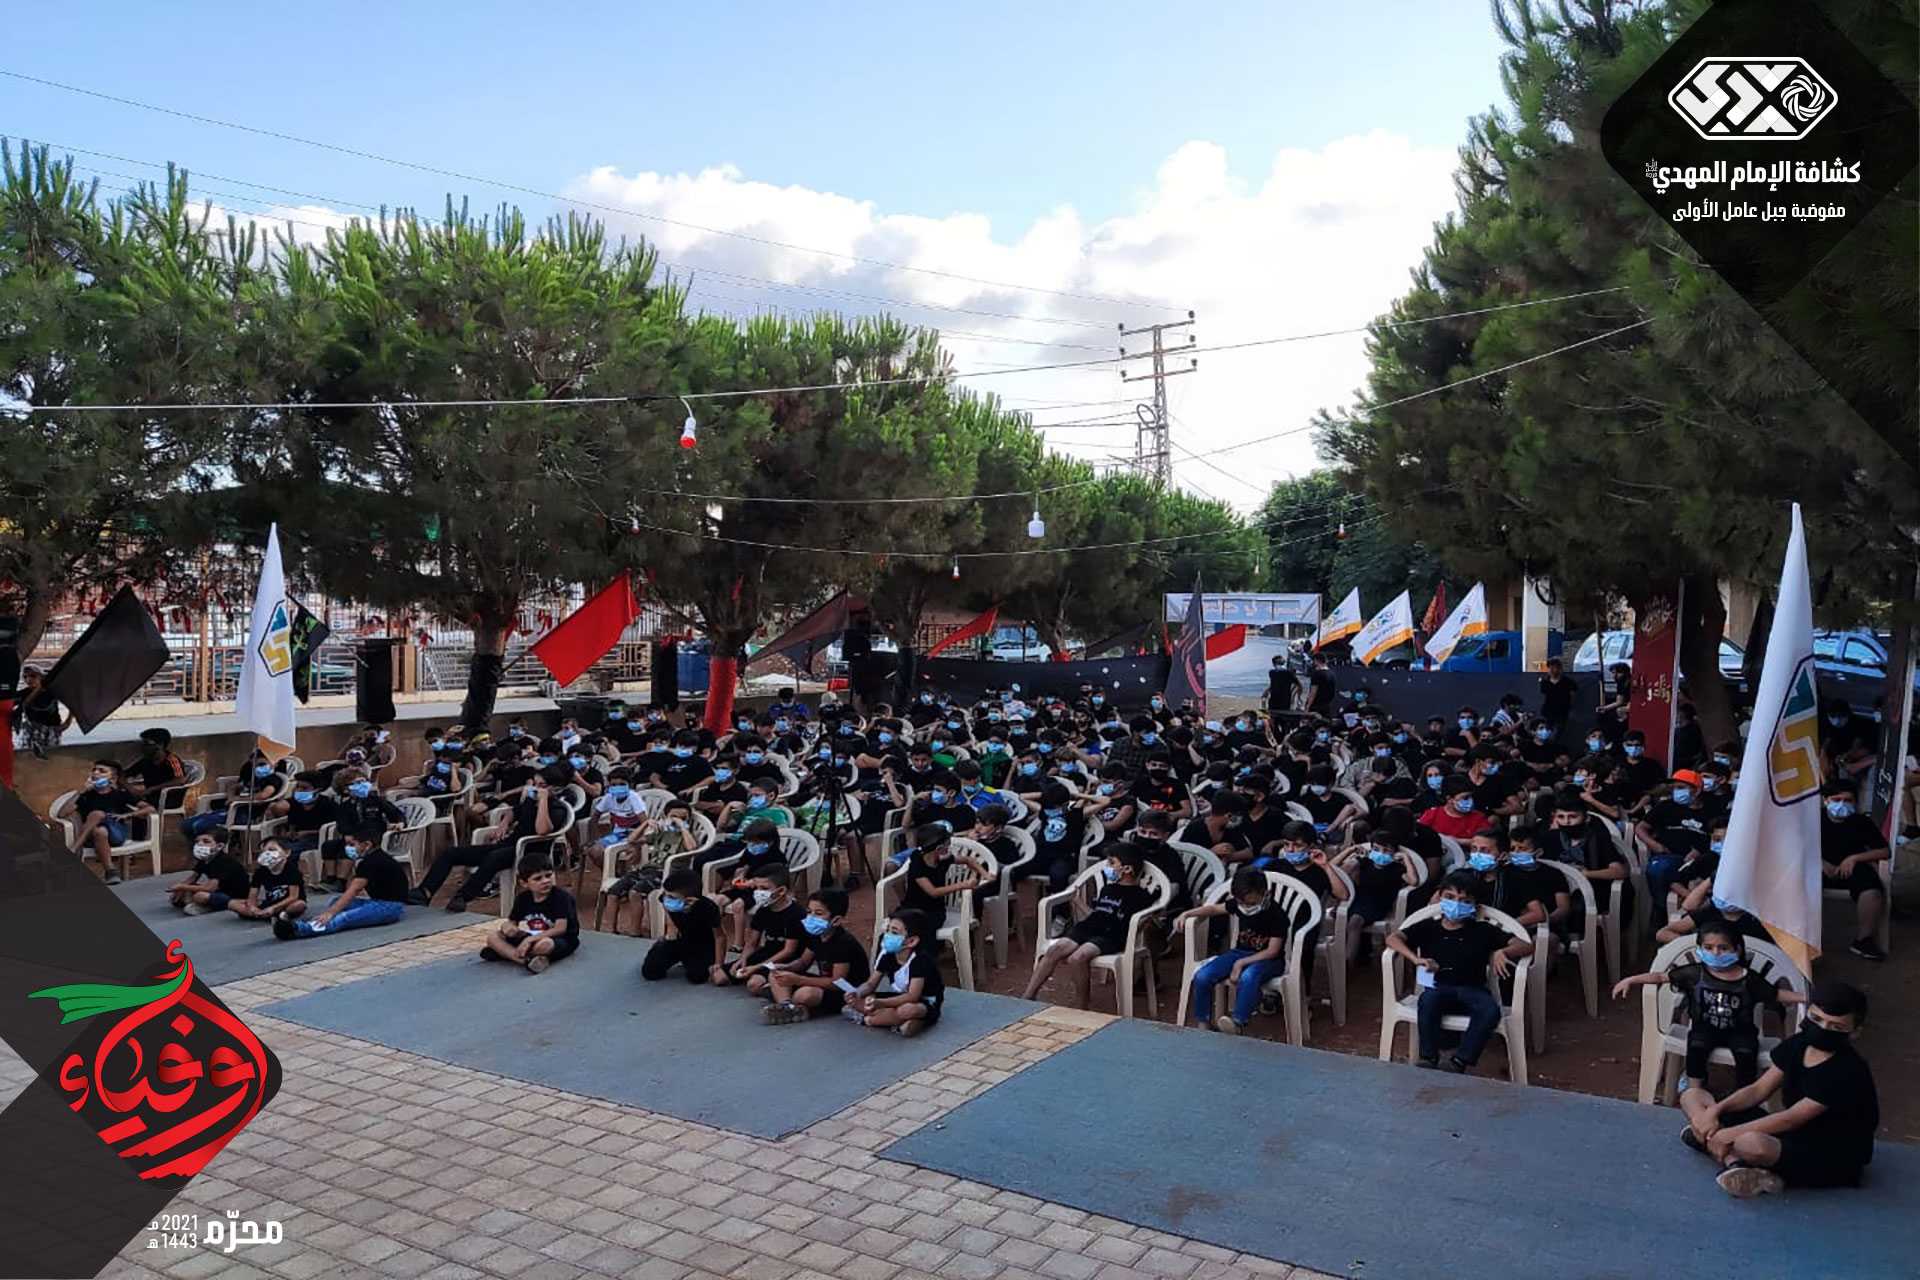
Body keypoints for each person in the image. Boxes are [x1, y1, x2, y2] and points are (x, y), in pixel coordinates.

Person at [1679, 981, 1879, 1197]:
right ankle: (1736, 1163)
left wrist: (1728, 1134)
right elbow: (1758, 1090)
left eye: (1836, 1027)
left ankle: (1721, 1150)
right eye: (1816, 1019)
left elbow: (1791, 1118)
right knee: (1693, 1096)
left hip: (1831, 1153)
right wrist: (1714, 1112)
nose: (1823, 1028)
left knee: (1751, 1142)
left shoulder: (1848, 1070)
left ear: (1855, 1032)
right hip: (1793, 1134)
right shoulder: (1799, 1044)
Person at [1612, 921, 1802, 1091]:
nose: (1715, 953)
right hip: (1704, 1029)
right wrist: (1632, 980)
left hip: (1741, 1032)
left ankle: (1744, 1094)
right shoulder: (1695, 973)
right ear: (1700, 949)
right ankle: (1695, 1089)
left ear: (1737, 950)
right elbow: (1661, 977)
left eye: (1723, 948)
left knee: (1746, 1053)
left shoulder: (1750, 979)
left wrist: (1803, 998)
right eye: (1708, 947)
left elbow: (1776, 994)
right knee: (1696, 1047)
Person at [1386, 871, 1532, 1074]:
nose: (1456, 904)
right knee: (1427, 1002)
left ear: (1475, 906)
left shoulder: (1484, 930)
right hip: (1438, 987)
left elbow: (1526, 945)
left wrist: (1504, 951)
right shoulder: (1428, 927)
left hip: (1473, 989)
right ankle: (1428, 1057)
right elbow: (1393, 938)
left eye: (1465, 901)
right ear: (1440, 897)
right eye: (1450, 897)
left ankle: (1459, 1061)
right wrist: (1415, 959)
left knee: (1490, 1010)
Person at [412, 764, 567, 911]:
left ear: (555, 788)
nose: (537, 788)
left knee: (494, 857)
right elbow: (513, 811)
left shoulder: (557, 808)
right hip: (508, 844)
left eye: (542, 785)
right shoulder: (531, 800)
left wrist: (543, 801)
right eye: (536, 784)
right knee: (451, 853)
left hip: (529, 851)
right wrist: (504, 824)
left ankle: (463, 897)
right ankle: (424, 892)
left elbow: (542, 830)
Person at [1021, 847, 1155, 1008]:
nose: (1107, 867)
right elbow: (1096, 914)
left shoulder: (1141, 896)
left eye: (1112, 863)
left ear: (1127, 869)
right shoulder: (1107, 889)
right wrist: (1078, 903)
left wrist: (1143, 923)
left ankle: (1081, 1005)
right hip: (1088, 928)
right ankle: (1028, 996)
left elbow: (1142, 921)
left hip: (1111, 935)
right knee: (1055, 950)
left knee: (1077, 958)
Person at [1174, 868, 1292, 1035]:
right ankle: (1203, 1022)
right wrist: (1187, 913)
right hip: (1239, 952)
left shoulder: (1277, 915)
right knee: (1202, 976)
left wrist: (1241, 963)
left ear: (1266, 893)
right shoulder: (1239, 904)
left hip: (1269, 960)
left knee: (1248, 976)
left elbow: (1273, 951)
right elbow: (1213, 910)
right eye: (1241, 903)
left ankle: (1237, 1022)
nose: (1245, 907)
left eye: (1250, 903)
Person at [273, 828, 410, 939]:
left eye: (353, 845)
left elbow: (353, 890)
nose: (349, 848)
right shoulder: (372, 858)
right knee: (336, 901)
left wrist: (331, 913)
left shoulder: (371, 862)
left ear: (367, 845)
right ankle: (316, 920)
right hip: (378, 901)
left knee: (344, 917)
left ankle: (300, 929)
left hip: (389, 907)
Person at [762, 889, 872, 1024]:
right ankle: (787, 1006)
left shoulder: (843, 943)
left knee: (805, 994)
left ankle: (791, 1004)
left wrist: (799, 980)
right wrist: (787, 967)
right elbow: (803, 962)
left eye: (818, 914)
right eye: (809, 912)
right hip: (823, 983)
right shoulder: (816, 935)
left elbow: (837, 983)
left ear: (836, 920)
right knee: (776, 975)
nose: (811, 917)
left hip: (847, 992)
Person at [1817, 781, 1889, 961]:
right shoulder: (1814, 819)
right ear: (1826, 800)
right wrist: (1818, 861)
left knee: (1872, 890)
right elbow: (1795, 847)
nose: (1842, 804)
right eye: (1836, 799)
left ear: (1855, 802)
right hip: (1818, 868)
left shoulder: (1861, 822)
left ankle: (1863, 940)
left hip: (1852, 869)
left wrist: (1854, 858)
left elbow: (1884, 851)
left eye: (1848, 800)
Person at [847, 909, 945, 1036]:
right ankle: (899, 1021)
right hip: (900, 997)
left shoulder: (920, 960)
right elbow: (871, 984)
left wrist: (881, 1003)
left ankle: (869, 1020)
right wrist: (857, 992)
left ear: (911, 941)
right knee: (864, 1000)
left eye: (894, 932)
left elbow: (912, 996)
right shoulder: (887, 956)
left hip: (924, 1002)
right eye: (887, 930)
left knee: (907, 1010)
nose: (887, 935)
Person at [481, 853, 579, 973]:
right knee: (493, 937)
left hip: (560, 939)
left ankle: (506, 954)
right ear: (524, 883)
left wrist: (529, 940)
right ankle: (527, 960)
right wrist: (508, 927)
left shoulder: (562, 897)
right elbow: (512, 921)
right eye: (538, 878)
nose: (545, 881)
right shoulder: (522, 898)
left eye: (549, 875)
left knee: (545, 945)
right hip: (530, 936)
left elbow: (560, 929)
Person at [63, 760, 152, 883]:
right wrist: (82, 791)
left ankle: (74, 848)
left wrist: (128, 815)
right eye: (94, 770)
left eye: (102, 771)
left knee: (98, 814)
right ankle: (110, 872)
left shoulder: (120, 794)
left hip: (116, 834)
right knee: (100, 831)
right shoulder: (86, 795)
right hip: (92, 837)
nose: (96, 773)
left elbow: (149, 808)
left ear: (113, 778)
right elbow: (63, 813)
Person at [642, 869, 728, 985]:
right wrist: (670, 932)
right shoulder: (665, 899)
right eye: (666, 894)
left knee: (697, 976)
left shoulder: (708, 908)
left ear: (690, 899)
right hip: (679, 939)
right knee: (650, 972)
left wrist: (718, 965)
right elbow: (667, 910)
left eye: (672, 897)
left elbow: (720, 937)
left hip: (703, 945)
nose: (667, 899)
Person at [728, 865, 808, 991]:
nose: (758, 892)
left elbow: (789, 951)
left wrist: (757, 967)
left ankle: (775, 986)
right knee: (719, 976)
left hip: (786, 960)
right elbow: (752, 942)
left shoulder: (796, 914)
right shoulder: (763, 910)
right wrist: (743, 959)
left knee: (754, 984)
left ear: (781, 891)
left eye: (764, 888)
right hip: (766, 953)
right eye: (756, 888)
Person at [228, 837, 307, 923]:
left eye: (272, 850)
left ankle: (281, 914)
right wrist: (253, 907)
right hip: (269, 903)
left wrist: (273, 908)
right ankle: (267, 915)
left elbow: (293, 897)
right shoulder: (261, 871)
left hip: (287, 904)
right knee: (233, 903)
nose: (267, 854)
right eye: (264, 852)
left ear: (287, 853)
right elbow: (252, 895)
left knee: (299, 905)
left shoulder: (292, 870)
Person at [167, 834, 252, 913]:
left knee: (199, 896)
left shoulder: (223, 861)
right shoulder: (205, 859)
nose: (200, 844)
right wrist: (179, 889)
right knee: (185, 893)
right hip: (219, 891)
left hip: (234, 895)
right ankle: (200, 902)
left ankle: (219, 906)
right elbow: (192, 878)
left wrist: (182, 886)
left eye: (206, 841)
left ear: (219, 846)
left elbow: (210, 888)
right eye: (197, 841)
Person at [10, 664, 70, 757]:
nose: (28, 679)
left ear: (41, 677)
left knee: (51, 757)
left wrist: (67, 723)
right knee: (31, 757)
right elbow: (7, 704)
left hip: (52, 730)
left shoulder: (52, 692)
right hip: (32, 731)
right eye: (25, 677)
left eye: (33, 676)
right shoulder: (24, 693)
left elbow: (73, 702)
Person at [1538, 657, 1576, 734]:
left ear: (1559, 669)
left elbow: (1573, 694)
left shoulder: (1568, 682)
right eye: (1549, 668)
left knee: (1560, 732)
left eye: (1554, 667)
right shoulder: (1544, 682)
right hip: (1548, 712)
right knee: (1547, 732)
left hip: (1562, 712)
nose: (1551, 670)